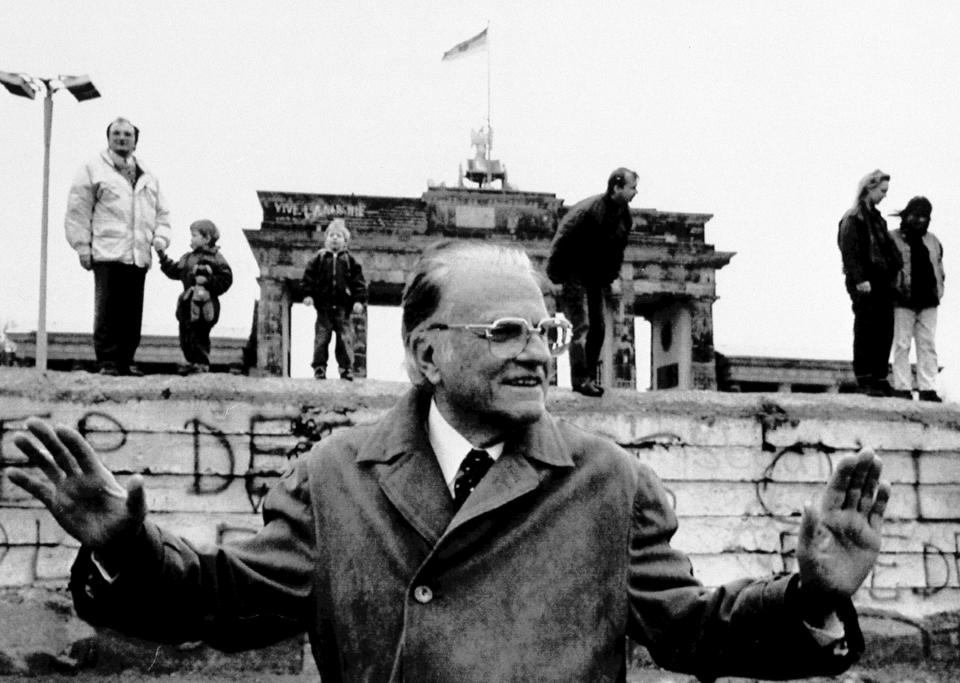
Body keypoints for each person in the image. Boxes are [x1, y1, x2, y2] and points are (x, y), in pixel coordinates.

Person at [9, 241, 890, 682]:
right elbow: (220, 606)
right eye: (504, 331)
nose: (539, 353)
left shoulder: (610, 484)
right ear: (428, 355)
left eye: (544, 331)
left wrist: (812, 593)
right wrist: (126, 545)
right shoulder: (336, 476)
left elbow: (696, 629)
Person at [64, 117, 172, 376]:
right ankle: (109, 362)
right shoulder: (93, 169)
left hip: (138, 254)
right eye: (116, 134)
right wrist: (82, 246)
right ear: (108, 138)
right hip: (107, 251)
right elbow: (78, 210)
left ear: (136, 140)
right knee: (108, 311)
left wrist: (160, 238)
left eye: (127, 134)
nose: (122, 138)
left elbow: (162, 214)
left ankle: (126, 360)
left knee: (131, 313)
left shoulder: (148, 176)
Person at [546, 167, 637, 396]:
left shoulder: (624, 214)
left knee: (599, 327)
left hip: (595, 275)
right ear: (616, 187)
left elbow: (619, 248)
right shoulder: (589, 209)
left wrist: (611, 273)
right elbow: (562, 236)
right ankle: (580, 380)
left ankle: (588, 378)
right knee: (581, 326)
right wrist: (555, 272)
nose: (636, 192)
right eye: (632, 187)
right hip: (574, 271)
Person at [837, 169, 902, 396]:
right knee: (866, 328)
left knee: (885, 329)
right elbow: (849, 250)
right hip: (865, 280)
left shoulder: (877, 218)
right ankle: (865, 377)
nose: (884, 195)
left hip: (883, 280)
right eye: (882, 191)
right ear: (870, 188)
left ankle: (880, 377)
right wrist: (859, 278)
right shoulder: (854, 217)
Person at [157, 219, 233, 375]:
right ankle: (190, 360)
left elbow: (226, 278)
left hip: (205, 303)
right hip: (187, 301)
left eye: (194, 235)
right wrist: (162, 257)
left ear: (207, 238)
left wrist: (209, 281)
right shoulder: (187, 258)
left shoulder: (216, 258)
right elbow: (175, 271)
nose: (191, 239)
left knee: (199, 332)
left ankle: (201, 362)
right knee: (185, 331)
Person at [888, 196, 945, 402]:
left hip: (929, 301)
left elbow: (939, 267)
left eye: (925, 216)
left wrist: (939, 291)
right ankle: (902, 387)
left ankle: (927, 387)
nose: (920, 220)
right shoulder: (892, 238)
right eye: (916, 215)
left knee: (927, 344)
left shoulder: (933, 240)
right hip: (902, 299)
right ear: (907, 214)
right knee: (902, 344)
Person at [300, 218, 367, 380]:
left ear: (345, 241)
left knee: (345, 340)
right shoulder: (319, 258)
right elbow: (308, 277)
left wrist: (358, 300)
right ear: (326, 239)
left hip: (343, 308)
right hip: (323, 307)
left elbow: (358, 283)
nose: (335, 238)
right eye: (331, 235)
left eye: (339, 235)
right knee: (322, 338)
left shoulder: (350, 261)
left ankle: (346, 369)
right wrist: (307, 295)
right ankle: (319, 367)